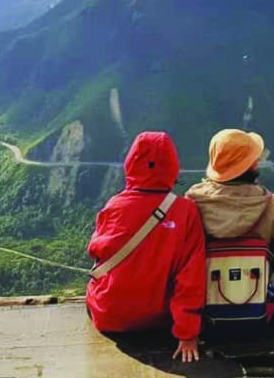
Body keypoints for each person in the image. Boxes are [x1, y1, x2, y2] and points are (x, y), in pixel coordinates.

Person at [85, 131, 206, 362]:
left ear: (131, 163)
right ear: (172, 166)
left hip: (108, 316)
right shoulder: (186, 211)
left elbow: (96, 252)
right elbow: (191, 278)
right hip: (160, 320)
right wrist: (187, 333)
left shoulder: (115, 206)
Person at [186, 128, 274, 260]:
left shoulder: (193, 202)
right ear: (250, 165)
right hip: (256, 279)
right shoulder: (271, 204)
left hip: (204, 280)